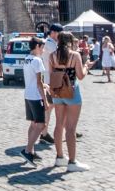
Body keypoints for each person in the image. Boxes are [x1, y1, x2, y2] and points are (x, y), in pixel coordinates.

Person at [48, 31, 90, 171]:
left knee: (58, 124)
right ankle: (72, 162)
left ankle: (60, 157)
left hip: (57, 91)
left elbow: (50, 74)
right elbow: (81, 76)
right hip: (72, 91)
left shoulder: (52, 56)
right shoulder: (75, 55)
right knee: (71, 128)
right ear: (70, 41)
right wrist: (86, 66)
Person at [19, 37, 50, 167]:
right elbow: (39, 82)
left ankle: (31, 150)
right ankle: (27, 150)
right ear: (37, 46)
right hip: (36, 96)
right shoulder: (37, 60)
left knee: (33, 124)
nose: (43, 50)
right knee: (41, 125)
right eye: (42, 47)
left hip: (28, 94)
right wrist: (45, 100)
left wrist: (43, 86)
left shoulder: (27, 58)